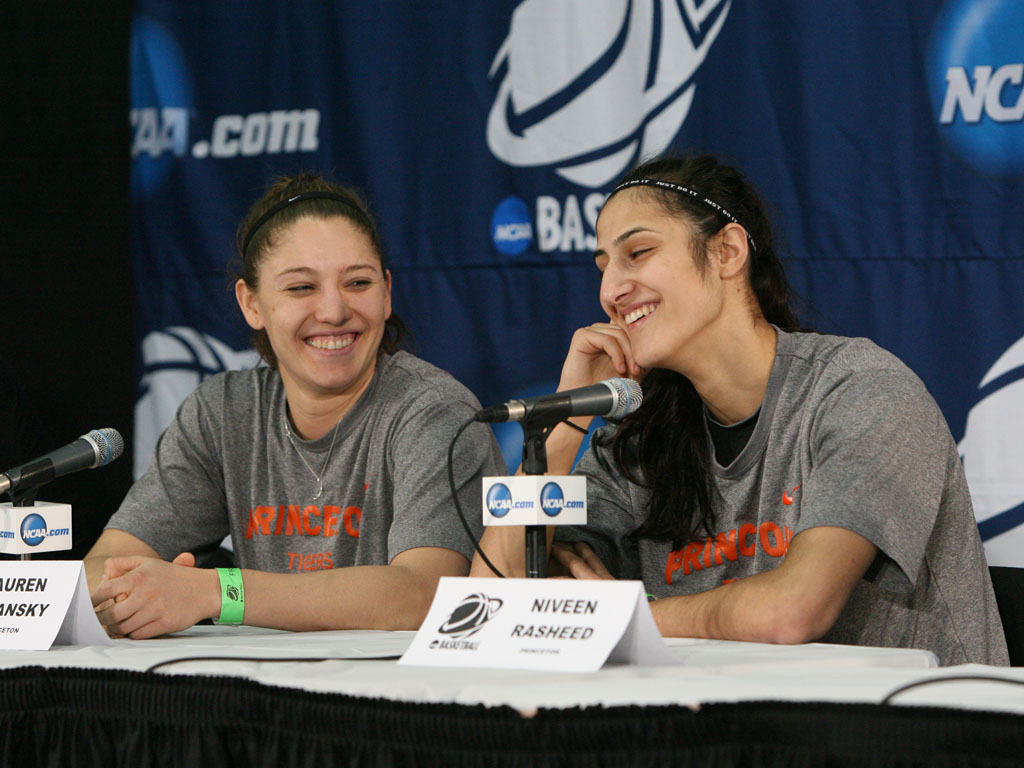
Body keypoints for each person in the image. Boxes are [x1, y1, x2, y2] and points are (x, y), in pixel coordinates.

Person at [471, 154, 1009, 666]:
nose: (611, 289)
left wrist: (627, 617)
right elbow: (491, 601)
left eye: (638, 253)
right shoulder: (638, 437)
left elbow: (793, 611)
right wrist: (567, 424)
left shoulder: (862, 391)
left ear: (728, 251)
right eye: (603, 266)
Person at [87, 173, 505, 639]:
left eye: (358, 283)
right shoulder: (223, 411)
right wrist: (137, 589)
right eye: (301, 288)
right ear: (252, 303)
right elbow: (102, 565)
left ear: (386, 293)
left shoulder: (434, 411)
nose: (333, 311)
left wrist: (213, 593)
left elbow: (423, 595)